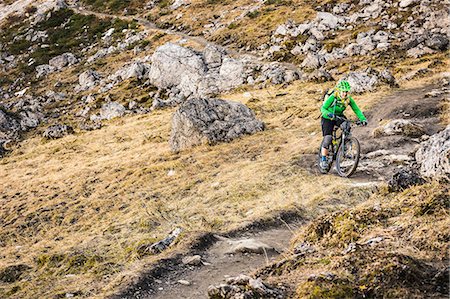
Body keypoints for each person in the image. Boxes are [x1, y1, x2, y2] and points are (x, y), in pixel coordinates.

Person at [319, 80, 367, 169]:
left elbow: (356, 110)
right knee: (328, 138)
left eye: (346, 91)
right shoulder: (333, 97)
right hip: (328, 116)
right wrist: (328, 114)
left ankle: (343, 146)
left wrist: (363, 119)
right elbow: (323, 108)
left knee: (347, 125)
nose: (345, 94)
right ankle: (323, 159)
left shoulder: (348, 99)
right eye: (343, 91)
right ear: (339, 90)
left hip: (338, 116)